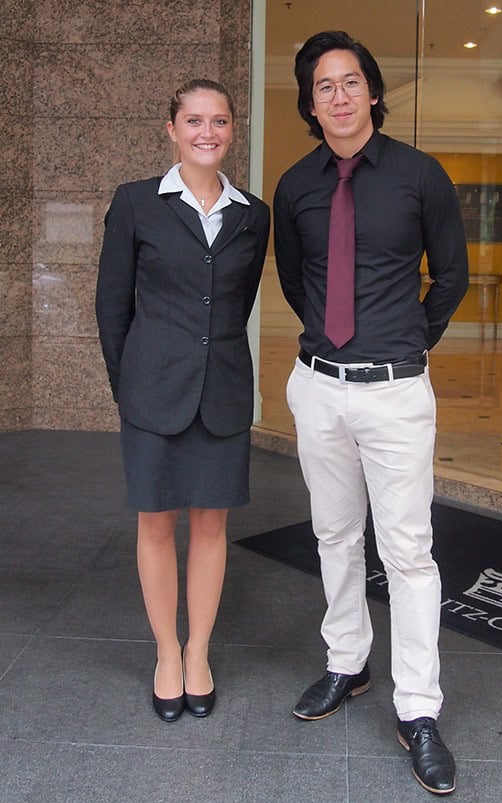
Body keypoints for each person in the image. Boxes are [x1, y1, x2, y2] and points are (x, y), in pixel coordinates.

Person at [273, 32, 468, 795]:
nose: (339, 95)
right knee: (333, 534)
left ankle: (418, 707)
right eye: (324, 86)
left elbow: (450, 276)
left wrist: (407, 340)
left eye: (350, 81)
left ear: (374, 92)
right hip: (319, 385)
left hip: (395, 391)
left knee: (409, 551)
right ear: (311, 103)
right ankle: (347, 661)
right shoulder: (296, 185)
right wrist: (334, 344)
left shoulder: (421, 176)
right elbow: (297, 280)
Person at [96, 79, 270, 722]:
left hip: (222, 388)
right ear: (171, 129)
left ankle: (199, 652)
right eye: (194, 120)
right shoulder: (136, 202)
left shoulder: (253, 213)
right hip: (151, 390)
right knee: (155, 523)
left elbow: (237, 303)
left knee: (212, 524)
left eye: (219, 121)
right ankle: (166, 653)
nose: (207, 132)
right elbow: (112, 306)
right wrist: (129, 386)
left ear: (232, 130)